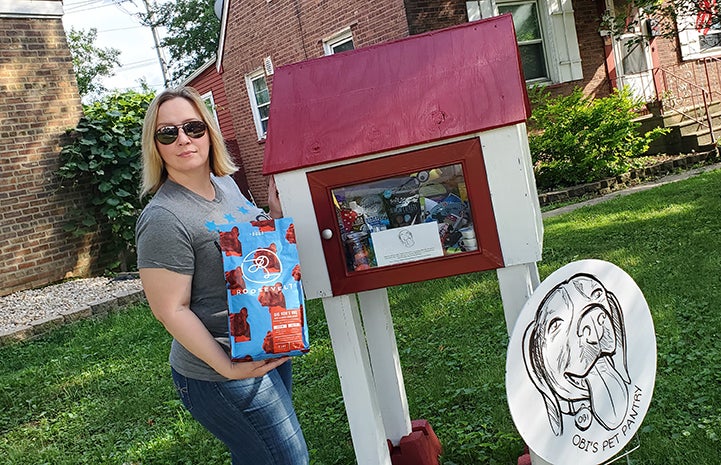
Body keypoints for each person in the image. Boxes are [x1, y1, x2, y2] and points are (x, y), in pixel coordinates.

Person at [135, 86, 309, 465]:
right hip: (219, 372)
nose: (183, 139)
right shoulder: (164, 218)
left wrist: (274, 216)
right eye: (168, 132)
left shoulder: (225, 185)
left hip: (264, 345)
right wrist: (228, 367)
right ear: (156, 145)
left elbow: (251, 253)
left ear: (209, 131)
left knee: (260, 457)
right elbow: (170, 310)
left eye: (193, 127)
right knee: (287, 459)